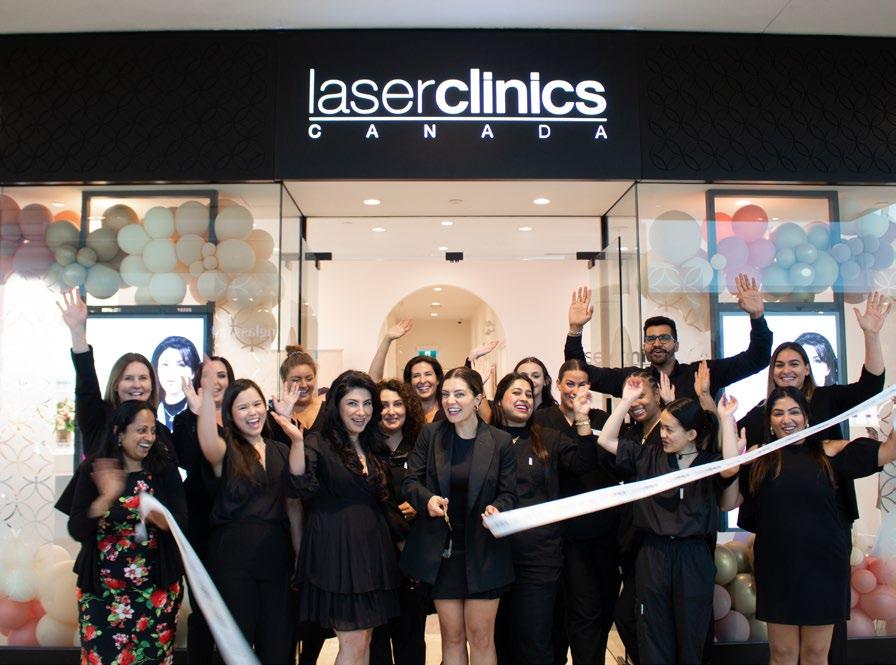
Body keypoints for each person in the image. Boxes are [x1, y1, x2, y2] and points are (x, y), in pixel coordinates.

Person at [725, 387, 896, 665]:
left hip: (824, 569)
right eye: (778, 413)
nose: (786, 419)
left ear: (806, 417)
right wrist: (732, 454)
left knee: (816, 654)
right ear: (769, 420)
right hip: (778, 569)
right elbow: (728, 502)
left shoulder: (830, 451)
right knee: (782, 655)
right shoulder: (759, 456)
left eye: (794, 412)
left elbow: (889, 451)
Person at [597, 377, 740, 664]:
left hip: (693, 556)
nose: (662, 434)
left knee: (691, 637)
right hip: (654, 554)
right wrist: (626, 400)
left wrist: (726, 419)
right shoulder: (648, 456)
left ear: (691, 435)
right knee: (653, 636)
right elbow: (606, 440)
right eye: (661, 427)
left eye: (669, 429)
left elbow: (731, 469)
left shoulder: (708, 464)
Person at [401, 366, 518, 665]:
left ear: (477, 399)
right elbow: (410, 482)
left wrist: (498, 508)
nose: (450, 401)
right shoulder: (431, 434)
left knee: (481, 637)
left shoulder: (500, 441)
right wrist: (427, 500)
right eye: (445, 395)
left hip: (485, 552)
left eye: (459, 394)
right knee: (451, 638)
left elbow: (509, 493)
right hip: (444, 554)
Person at [287, 370, 402, 665]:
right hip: (335, 548)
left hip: (372, 549)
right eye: (352, 403)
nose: (361, 411)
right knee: (354, 641)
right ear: (336, 406)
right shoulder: (318, 441)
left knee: (364, 639)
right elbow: (299, 487)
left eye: (367, 403)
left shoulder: (372, 442)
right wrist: (297, 443)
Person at [490, 372, 601, 665]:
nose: (524, 399)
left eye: (529, 394)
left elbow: (584, 462)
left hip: (539, 559)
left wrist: (582, 417)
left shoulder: (547, 438)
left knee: (534, 641)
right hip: (492, 557)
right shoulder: (485, 439)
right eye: (516, 392)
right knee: (498, 640)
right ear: (499, 399)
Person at [197, 369, 303, 664]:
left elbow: (294, 505)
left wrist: (299, 553)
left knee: (277, 643)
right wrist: (206, 400)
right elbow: (207, 442)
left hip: (276, 554)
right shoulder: (225, 449)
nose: (253, 412)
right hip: (232, 557)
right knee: (237, 645)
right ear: (230, 415)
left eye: (257, 404)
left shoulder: (281, 449)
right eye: (243, 407)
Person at [68, 400, 186, 665]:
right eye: (141, 430)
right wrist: (105, 498)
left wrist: (159, 517)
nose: (149, 438)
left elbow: (182, 523)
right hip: (102, 592)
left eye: (153, 431)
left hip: (154, 591)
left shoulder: (164, 469)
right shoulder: (95, 469)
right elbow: (76, 528)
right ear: (119, 433)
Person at [55, 288, 176, 515]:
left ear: (152, 385)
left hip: (150, 531)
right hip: (101, 524)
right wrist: (77, 331)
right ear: (116, 386)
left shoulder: (160, 432)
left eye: (143, 378)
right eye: (128, 378)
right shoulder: (99, 417)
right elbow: (86, 381)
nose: (137, 385)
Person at [564, 273, 772, 400]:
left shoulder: (701, 374)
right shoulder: (634, 379)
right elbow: (580, 373)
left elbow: (757, 360)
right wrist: (575, 329)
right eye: (650, 339)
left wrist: (757, 317)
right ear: (644, 346)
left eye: (664, 338)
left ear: (676, 345)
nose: (657, 343)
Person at [533, 358, 618, 665]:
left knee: (597, 608)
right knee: (562, 614)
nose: (575, 390)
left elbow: (611, 463)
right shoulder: (542, 419)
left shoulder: (602, 419)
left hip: (599, 529)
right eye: (570, 383)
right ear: (557, 385)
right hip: (558, 532)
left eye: (582, 384)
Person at [171, 355, 234, 664]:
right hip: (200, 523)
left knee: (234, 606)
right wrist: (200, 415)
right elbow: (189, 461)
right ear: (198, 383)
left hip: (237, 523)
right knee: (204, 608)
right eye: (208, 376)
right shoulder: (185, 419)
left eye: (221, 375)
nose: (215, 382)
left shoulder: (242, 415)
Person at [602, 371, 664, 665]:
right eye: (629, 397)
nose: (635, 403)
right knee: (633, 618)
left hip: (662, 543)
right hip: (632, 540)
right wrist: (625, 402)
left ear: (658, 395)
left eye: (641, 396)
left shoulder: (670, 431)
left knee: (632, 617)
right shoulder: (632, 435)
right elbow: (606, 441)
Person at [370, 379, 429, 665]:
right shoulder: (366, 448)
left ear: (409, 408)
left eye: (397, 404)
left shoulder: (422, 446)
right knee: (377, 640)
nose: (391, 411)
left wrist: (421, 504)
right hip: (375, 556)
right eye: (383, 405)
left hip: (413, 555)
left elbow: (436, 490)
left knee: (411, 637)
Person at [152, 335, 201, 430]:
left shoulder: (202, 410)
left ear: (193, 372)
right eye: (165, 364)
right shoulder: (150, 410)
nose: (171, 372)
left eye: (181, 365)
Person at [403, 356, 445, 423]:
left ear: (437, 380)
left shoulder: (448, 410)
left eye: (428, 374)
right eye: (416, 376)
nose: (422, 381)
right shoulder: (403, 414)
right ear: (410, 382)